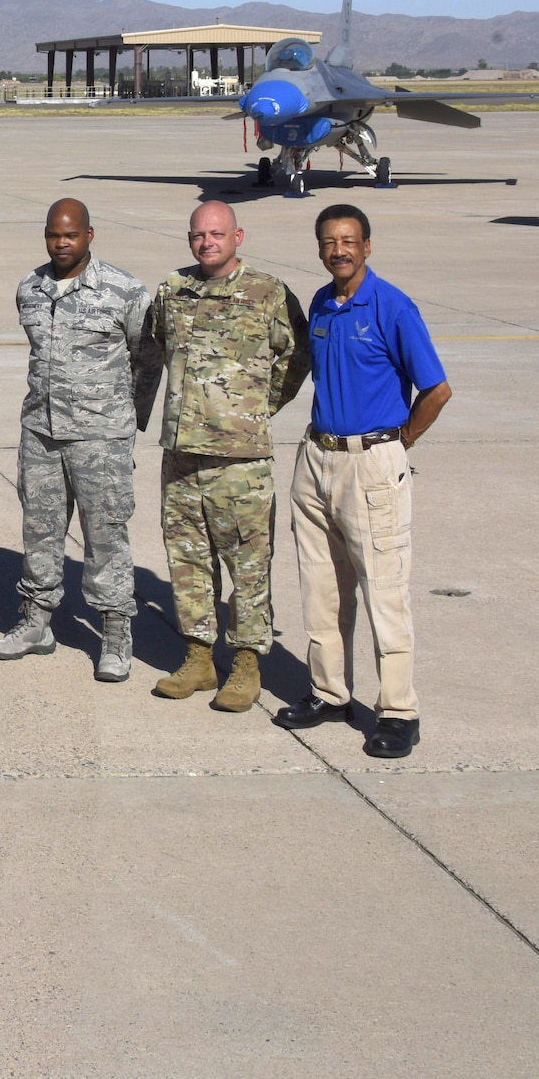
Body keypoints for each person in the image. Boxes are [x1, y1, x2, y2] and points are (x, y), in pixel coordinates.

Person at [277, 204, 450, 759]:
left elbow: (437, 391)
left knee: (385, 591)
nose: (339, 251)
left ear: (368, 246)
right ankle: (330, 693)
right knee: (321, 589)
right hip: (317, 460)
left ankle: (399, 711)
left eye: (349, 241)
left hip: (371, 464)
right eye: (329, 242)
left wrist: (401, 442)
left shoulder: (393, 307)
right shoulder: (323, 303)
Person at [0, 198, 161, 678]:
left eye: (71, 234)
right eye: (53, 235)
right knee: (39, 532)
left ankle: (116, 633)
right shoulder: (30, 288)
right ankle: (36, 622)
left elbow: (147, 360)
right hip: (41, 434)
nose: (61, 243)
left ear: (89, 234)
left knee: (105, 536)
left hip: (100, 438)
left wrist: (127, 422)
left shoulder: (123, 291)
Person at [148, 200, 310, 708]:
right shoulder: (172, 291)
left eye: (217, 233)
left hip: (240, 460)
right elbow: (156, 349)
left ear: (238, 236)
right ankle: (198, 657)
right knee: (187, 561)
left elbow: (297, 356)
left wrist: (255, 409)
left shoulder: (268, 292)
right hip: (181, 455)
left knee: (248, 565)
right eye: (198, 234)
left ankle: (245, 664)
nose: (206, 242)